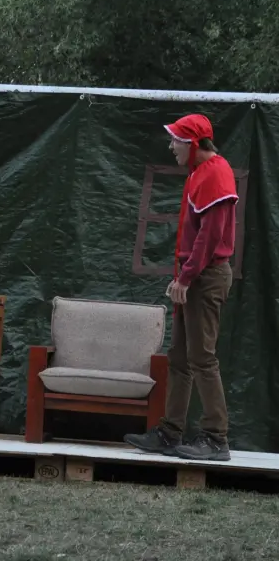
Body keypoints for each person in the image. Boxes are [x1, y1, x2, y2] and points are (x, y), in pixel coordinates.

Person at [124, 114, 238, 461]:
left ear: (193, 143)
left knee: (202, 357)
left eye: (175, 140)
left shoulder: (216, 173)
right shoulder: (199, 173)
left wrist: (186, 278)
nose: (171, 146)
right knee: (180, 358)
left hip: (206, 276)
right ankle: (170, 432)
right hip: (194, 274)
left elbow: (211, 236)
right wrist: (183, 277)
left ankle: (216, 438)